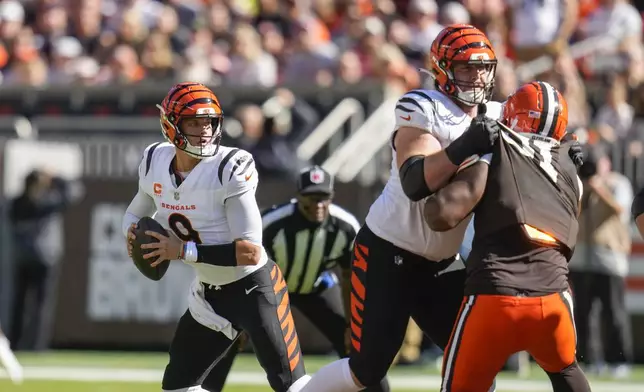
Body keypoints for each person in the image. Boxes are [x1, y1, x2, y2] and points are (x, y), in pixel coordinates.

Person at [301, 24, 506, 392]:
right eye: (465, 68)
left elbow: (544, 128)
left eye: (482, 67)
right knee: (367, 368)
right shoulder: (423, 105)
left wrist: (572, 155)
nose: (476, 76)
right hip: (388, 250)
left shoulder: (496, 113)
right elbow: (415, 182)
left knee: (478, 357)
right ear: (442, 70)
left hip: (442, 262)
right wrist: (464, 146)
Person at [122, 82, 310, 392]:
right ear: (171, 124)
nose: (204, 130)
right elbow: (135, 213)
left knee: (292, 387)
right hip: (211, 295)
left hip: (254, 288)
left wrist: (182, 251)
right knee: (178, 387)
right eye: (194, 122)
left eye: (209, 121)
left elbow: (250, 252)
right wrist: (131, 234)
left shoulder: (229, 167)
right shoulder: (155, 160)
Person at [423, 81, 591, 392]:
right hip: (552, 298)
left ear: (513, 115)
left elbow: (442, 214)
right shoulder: (571, 172)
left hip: (494, 295)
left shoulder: (495, 152)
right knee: (566, 370)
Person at [202, 166, 389, 392]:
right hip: (269, 291)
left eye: (323, 197)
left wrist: (352, 324)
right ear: (298, 196)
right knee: (231, 335)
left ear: (331, 197)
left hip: (316, 287)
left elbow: (351, 277)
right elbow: (246, 268)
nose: (318, 204)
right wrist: (243, 317)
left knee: (357, 343)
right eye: (311, 197)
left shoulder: (345, 226)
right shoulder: (273, 223)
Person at [569, 143, 633, 378]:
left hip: (609, 258)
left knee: (613, 312)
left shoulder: (619, 184)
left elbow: (619, 210)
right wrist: (584, 188)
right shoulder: (579, 186)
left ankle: (620, 361)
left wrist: (599, 187)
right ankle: (587, 359)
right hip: (581, 259)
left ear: (607, 163)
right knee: (583, 313)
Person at [9, 169, 70, 350]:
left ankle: (27, 344)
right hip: (41, 257)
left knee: (33, 304)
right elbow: (71, 193)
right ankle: (31, 345)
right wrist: (55, 177)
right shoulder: (46, 203)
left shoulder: (17, 203)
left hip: (31, 258)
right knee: (30, 304)